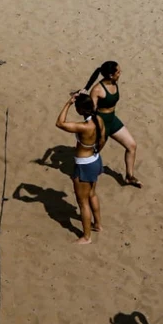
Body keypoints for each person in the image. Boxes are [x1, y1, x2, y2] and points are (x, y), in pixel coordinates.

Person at [56, 91, 106, 244]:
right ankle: (97, 225)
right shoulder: (99, 119)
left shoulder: (84, 127)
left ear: (80, 110)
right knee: (92, 194)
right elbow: (102, 139)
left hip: (84, 164)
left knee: (82, 201)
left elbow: (60, 123)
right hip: (96, 159)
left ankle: (86, 237)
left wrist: (68, 103)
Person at [84, 61, 141, 187]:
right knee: (94, 152)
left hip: (112, 119)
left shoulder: (114, 82)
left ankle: (129, 176)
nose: (120, 74)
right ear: (110, 75)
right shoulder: (97, 90)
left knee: (131, 146)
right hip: (101, 122)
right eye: (118, 72)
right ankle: (83, 174)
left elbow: (98, 71)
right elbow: (90, 112)